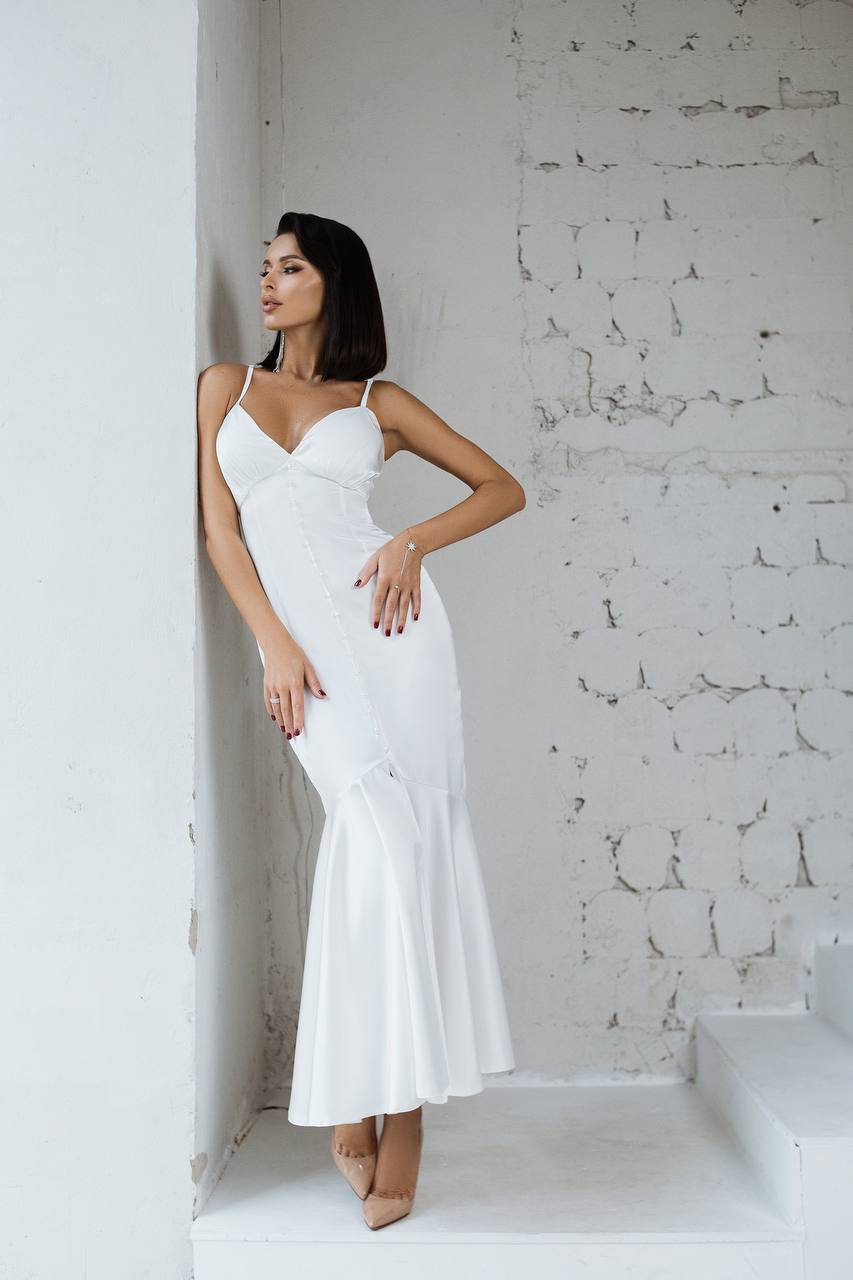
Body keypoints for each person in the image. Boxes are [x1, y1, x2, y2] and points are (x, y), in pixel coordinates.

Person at [197, 211, 524, 1230]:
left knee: (412, 849)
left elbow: (500, 486)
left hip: (400, 644)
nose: (267, 281)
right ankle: (356, 1088)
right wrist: (273, 646)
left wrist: (411, 543)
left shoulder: (376, 403)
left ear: (332, 283)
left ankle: (402, 1110)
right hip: (310, 662)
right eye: (264, 267)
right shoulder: (225, 389)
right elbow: (223, 534)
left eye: (289, 267)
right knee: (370, 842)